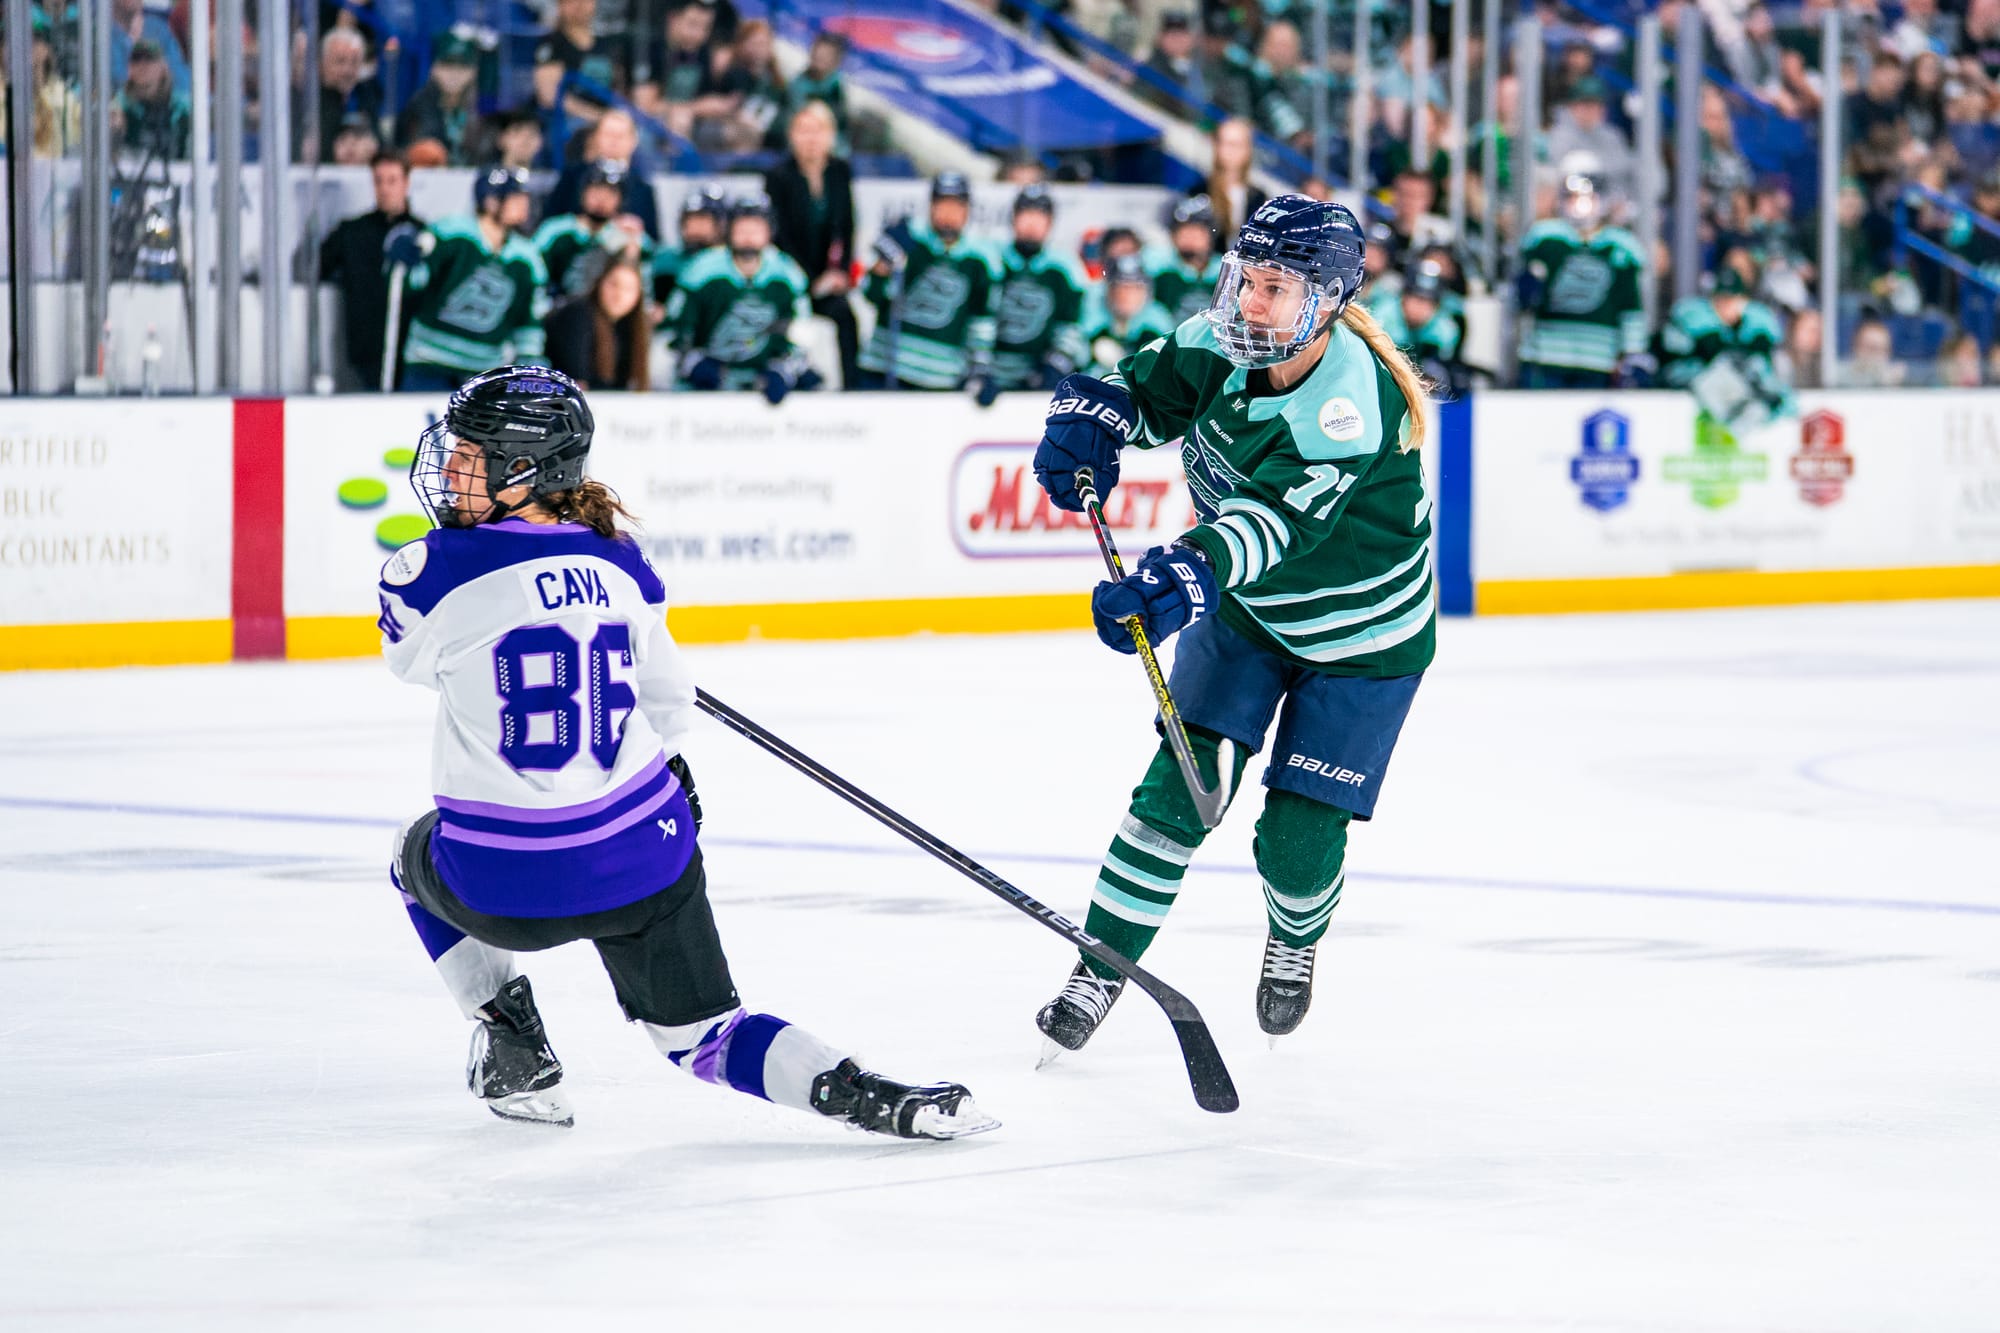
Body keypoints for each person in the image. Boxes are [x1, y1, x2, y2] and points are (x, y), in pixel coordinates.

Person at [379, 367, 993, 1141]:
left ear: (523, 469)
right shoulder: (624, 560)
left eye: (469, 455)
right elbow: (669, 704)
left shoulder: (427, 569)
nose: (448, 471)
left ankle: (511, 1041)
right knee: (704, 1036)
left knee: (409, 850)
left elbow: (409, 661)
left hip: (504, 888)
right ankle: (866, 1094)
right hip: (646, 859)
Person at [1028, 196, 1434, 1053]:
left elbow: (1267, 526)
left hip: (1362, 642)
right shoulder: (1223, 340)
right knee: (1172, 796)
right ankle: (1101, 965)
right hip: (1250, 617)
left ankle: (1295, 938)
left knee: (1294, 841)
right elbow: (1140, 392)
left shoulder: (1348, 408)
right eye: (1246, 279)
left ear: (1324, 302)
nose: (1250, 302)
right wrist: (1088, 419)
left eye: (1276, 287)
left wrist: (1180, 578)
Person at [390, 167, 551, 393]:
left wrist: (530, 369)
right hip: (430, 361)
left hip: (485, 372)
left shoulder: (528, 258)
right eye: (516, 197)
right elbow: (413, 283)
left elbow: (528, 323)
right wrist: (405, 259)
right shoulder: (451, 233)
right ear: (491, 201)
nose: (524, 204)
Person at [666, 192, 820, 402]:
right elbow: (678, 328)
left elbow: (801, 333)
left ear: (769, 233)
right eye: (742, 229)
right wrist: (693, 363)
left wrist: (784, 370)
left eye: (756, 230)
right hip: (709, 382)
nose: (748, 237)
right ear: (729, 231)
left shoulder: (788, 275)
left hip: (764, 381)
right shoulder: (701, 271)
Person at [1516, 154, 1649, 388]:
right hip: (1547, 353)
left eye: (1588, 197)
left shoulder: (1620, 246)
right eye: (1574, 197)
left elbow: (1630, 306)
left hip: (1598, 358)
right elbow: (1524, 299)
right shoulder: (1545, 238)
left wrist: (1632, 353)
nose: (1581, 205)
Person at [857, 172, 1000, 390]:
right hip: (885, 369)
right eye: (942, 205)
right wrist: (882, 267)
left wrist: (979, 368)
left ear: (967, 211)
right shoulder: (910, 238)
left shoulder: (981, 260)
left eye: (956, 206)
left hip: (940, 377)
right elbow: (872, 295)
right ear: (931, 206)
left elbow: (981, 321)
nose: (948, 214)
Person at [765, 100, 858, 386]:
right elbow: (780, 237)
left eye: (817, 130)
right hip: (789, 276)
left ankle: (854, 387)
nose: (811, 138)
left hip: (825, 279)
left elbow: (848, 226)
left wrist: (840, 272)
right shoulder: (778, 177)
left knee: (846, 317)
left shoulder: (840, 172)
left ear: (830, 135)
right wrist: (809, 280)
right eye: (803, 130)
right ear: (792, 135)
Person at [319, 151, 424, 390]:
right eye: (379, 180)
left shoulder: (423, 235)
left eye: (392, 180)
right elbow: (314, 267)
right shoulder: (352, 233)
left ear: (406, 183)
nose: (385, 189)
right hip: (364, 350)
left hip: (412, 351)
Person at [978, 184, 1089, 405]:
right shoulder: (992, 258)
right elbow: (979, 315)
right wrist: (980, 369)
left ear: (1049, 224)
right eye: (1026, 214)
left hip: (1036, 375)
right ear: (1013, 219)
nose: (1031, 224)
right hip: (991, 372)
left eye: (1039, 217)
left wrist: (1053, 367)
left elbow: (1072, 326)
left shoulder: (1065, 268)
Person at [1655, 265, 1791, 441]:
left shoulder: (1757, 324)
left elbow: (1761, 362)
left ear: (1743, 300)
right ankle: (1736, 413)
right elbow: (1698, 358)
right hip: (1689, 382)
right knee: (1714, 375)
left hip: (1740, 389)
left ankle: (1755, 409)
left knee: (1760, 372)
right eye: (1721, 299)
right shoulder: (1695, 319)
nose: (1726, 305)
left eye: (1732, 299)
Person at [534, 159, 654, 299]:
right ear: (583, 192)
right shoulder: (554, 231)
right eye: (596, 190)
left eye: (611, 193)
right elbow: (536, 280)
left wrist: (631, 245)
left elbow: (644, 294)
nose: (602, 199)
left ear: (621, 199)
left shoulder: (629, 235)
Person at [543, 110, 661, 241]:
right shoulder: (572, 176)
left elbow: (653, 240)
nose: (614, 141)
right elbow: (550, 220)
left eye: (621, 136)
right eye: (608, 134)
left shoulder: (643, 189)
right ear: (596, 137)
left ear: (633, 141)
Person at [546, 259, 653, 390]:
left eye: (628, 289)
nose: (619, 295)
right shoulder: (577, 314)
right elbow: (577, 382)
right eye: (614, 285)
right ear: (600, 283)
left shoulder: (633, 327)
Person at [1367, 257, 1469, 394]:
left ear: (1437, 305)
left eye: (1427, 301)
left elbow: (1437, 370)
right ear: (1403, 296)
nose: (1419, 308)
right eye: (1415, 298)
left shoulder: (1445, 329)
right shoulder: (1381, 316)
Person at [396, 29, 483, 165]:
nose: (454, 74)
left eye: (463, 66)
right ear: (434, 68)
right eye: (447, 65)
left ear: (474, 71)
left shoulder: (484, 111)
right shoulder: (417, 108)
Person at [1082, 253, 1176, 377]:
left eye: (1136, 288)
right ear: (1109, 290)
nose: (1127, 295)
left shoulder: (1158, 319)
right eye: (1121, 287)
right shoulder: (1095, 313)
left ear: (1146, 291)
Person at [1148, 194, 1223, 327]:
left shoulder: (1225, 271)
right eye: (1184, 231)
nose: (1190, 237)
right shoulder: (1158, 268)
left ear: (1210, 235)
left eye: (1197, 231)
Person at [110, 39, 190, 159]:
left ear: (163, 67)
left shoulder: (182, 106)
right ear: (129, 68)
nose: (142, 65)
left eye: (150, 59)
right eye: (136, 60)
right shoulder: (120, 105)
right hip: (130, 173)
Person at [651, 183, 727, 306]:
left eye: (702, 221)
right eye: (690, 221)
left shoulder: (730, 264)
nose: (694, 229)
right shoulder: (667, 258)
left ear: (720, 225)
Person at [1197, 117, 1269, 246]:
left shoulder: (1258, 198)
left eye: (1237, 144)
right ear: (1216, 146)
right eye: (1226, 143)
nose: (1231, 151)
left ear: (1248, 149)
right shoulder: (1200, 192)